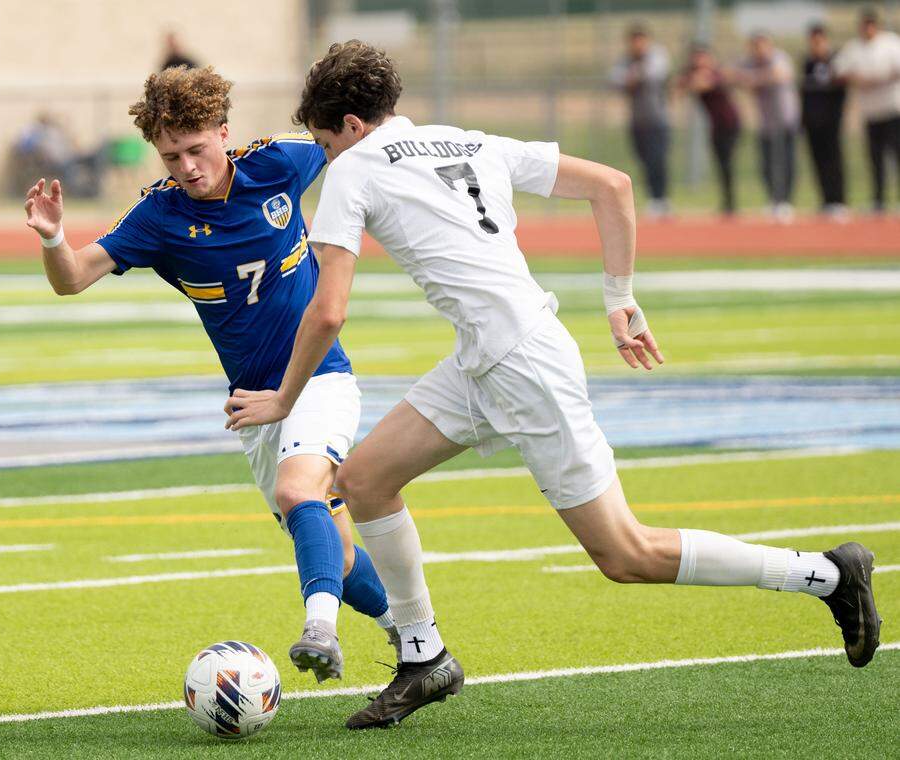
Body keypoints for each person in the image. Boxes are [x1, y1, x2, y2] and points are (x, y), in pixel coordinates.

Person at [225, 40, 882, 730]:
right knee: (363, 481)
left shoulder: (353, 168)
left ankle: (828, 574)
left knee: (626, 554)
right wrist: (618, 297)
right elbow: (613, 187)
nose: (324, 156)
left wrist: (285, 398)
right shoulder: (464, 138)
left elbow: (328, 310)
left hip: (523, 368)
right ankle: (425, 656)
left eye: (324, 143)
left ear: (351, 126)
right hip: (491, 355)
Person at [22, 64, 394, 684]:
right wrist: (53, 236)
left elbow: (358, 141)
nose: (187, 166)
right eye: (172, 156)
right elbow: (72, 278)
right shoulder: (158, 217)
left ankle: (320, 630)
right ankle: (413, 640)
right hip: (252, 403)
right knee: (330, 541)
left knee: (298, 493)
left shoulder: (281, 162)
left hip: (318, 377)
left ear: (224, 133)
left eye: (197, 149)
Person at [835, 7, 900, 213]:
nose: (867, 29)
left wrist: (879, 78)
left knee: (896, 155)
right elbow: (838, 70)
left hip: (893, 108)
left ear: (877, 26)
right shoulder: (854, 47)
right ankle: (879, 200)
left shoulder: (890, 43)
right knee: (875, 158)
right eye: (864, 25)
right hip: (870, 112)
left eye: (871, 24)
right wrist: (859, 79)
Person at [609, 24, 672, 218]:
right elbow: (614, 80)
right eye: (634, 41)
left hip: (658, 119)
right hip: (637, 121)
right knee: (643, 160)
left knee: (658, 159)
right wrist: (632, 77)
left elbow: (653, 74)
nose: (637, 45)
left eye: (641, 40)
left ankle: (662, 199)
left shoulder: (657, 55)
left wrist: (633, 76)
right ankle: (653, 199)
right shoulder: (625, 60)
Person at [738, 32, 800, 222]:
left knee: (786, 162)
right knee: (765, 164)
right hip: (765, 122)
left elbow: (780, 74)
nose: (759, 50)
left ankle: (785, 202)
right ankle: (773, 200)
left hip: (785, 119)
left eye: (762, 46)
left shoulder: (780, 58)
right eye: (755, 46)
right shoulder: (750, 62)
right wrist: (757, 78)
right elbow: (737, 77)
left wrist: (756, 78)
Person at [678, 44, 742, 216]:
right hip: (716, 126)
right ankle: (727, 202)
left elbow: (701, 84)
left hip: (729, 123)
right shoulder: (696, 74)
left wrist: (692, 80)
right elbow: (680, 86)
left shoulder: (716, 74)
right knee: (721, 164)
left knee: (727, 163)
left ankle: (731, 203)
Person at [801, 23, 849, 218]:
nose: (816, 46)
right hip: (813, 121)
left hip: (831, 120)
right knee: (818, 161)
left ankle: (839, 200)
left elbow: (840, 88)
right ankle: (826, 200)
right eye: (813, 42)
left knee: (834, 159)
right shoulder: (808, 64)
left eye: (819, 41)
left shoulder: (836, 61)